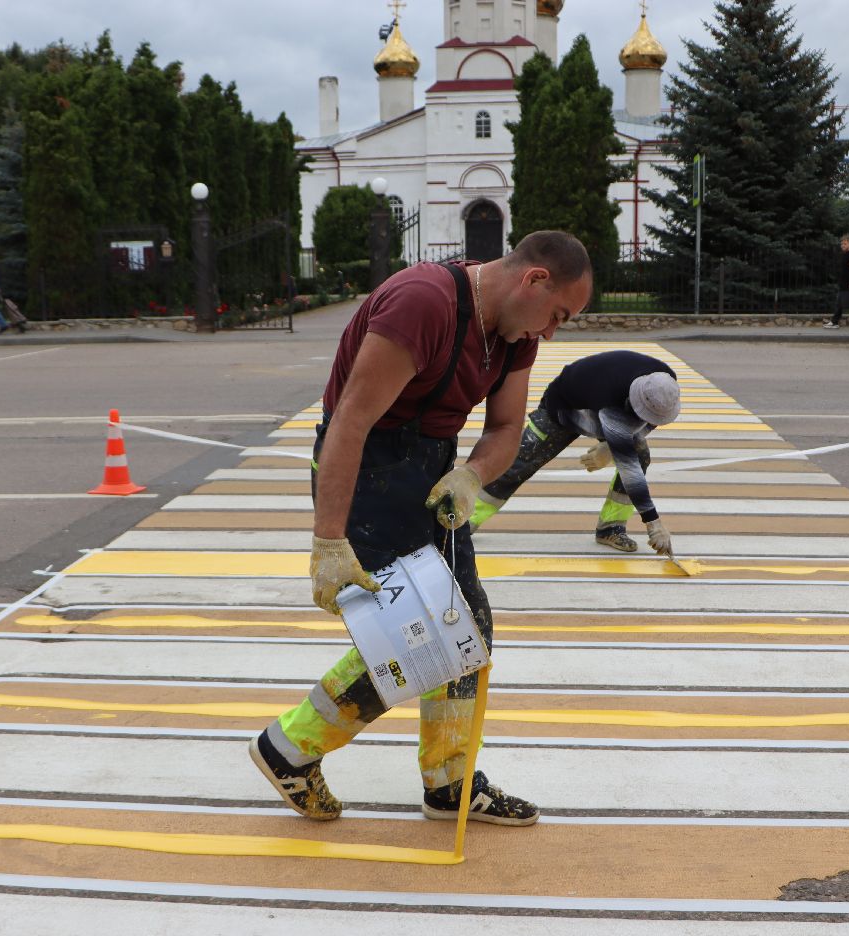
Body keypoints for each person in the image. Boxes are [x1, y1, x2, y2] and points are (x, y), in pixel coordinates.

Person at [248, 231, 594, 828]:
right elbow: (350, 421)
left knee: (464, 626)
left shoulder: (513, 337)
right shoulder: (425, 302)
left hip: (431, 471)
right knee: (412, 639)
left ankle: (449, 783)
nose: (552, 333)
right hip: (364, 471)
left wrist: (471, 475)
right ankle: (290, 750)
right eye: (558, 315)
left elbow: (506, 428)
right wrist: (329, 539)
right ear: (534, 280)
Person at [468, 349, 681, 555]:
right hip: (563, 407)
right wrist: (653, 522)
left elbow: (649, 420)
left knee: (640, 456)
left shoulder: (664, 386)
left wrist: (610, 447)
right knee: (517, 463)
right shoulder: (608, 394)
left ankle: (611, 527)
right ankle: (464, 519)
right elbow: (629, 470)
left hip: (612, 407)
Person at [822, 235, 849, 328]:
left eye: (845, 244)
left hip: (848, 283)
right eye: (842, 244)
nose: (843, 245)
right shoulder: (845, 254)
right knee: (841, 303)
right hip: (843, 282)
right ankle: (834, 322)